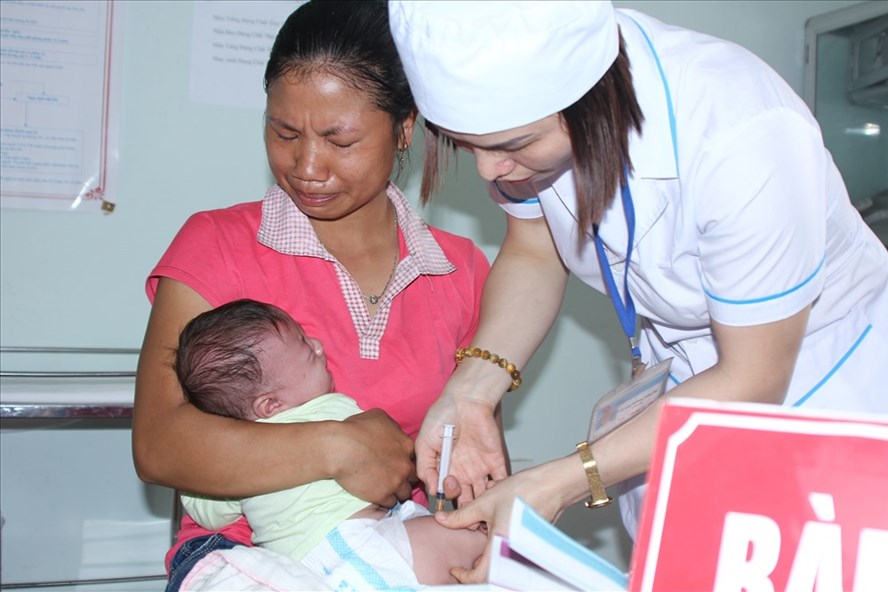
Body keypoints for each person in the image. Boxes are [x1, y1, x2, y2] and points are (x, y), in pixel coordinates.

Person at [388, 0, 888, 582]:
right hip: (677, 383)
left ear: (589, 95)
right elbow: (535, 249)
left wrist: (563, 481)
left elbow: (753, 379)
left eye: (514, 144)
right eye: (463, 143)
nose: (488, 171)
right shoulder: (527, 135)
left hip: (817, 383)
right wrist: (471, 392)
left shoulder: (743, 133)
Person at [132, 1, 491, 590]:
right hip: (245, 555)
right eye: (284, 133)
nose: (306, 166)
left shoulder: (461, 271)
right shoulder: (217, 244)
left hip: (399, 544)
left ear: (404, 127)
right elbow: (159, 444)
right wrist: (337, 446)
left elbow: (470, 456)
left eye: (339, 140)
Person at [174, 299, 486, 588]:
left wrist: (199, 464)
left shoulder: (238, 458)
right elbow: (397, 459)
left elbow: (210, 512)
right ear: (271, 405)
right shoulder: (331, 408)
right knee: (478, 543)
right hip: (351, 543)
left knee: (459, 544)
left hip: (311, 561)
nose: (319, 346)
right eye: (307, 349)